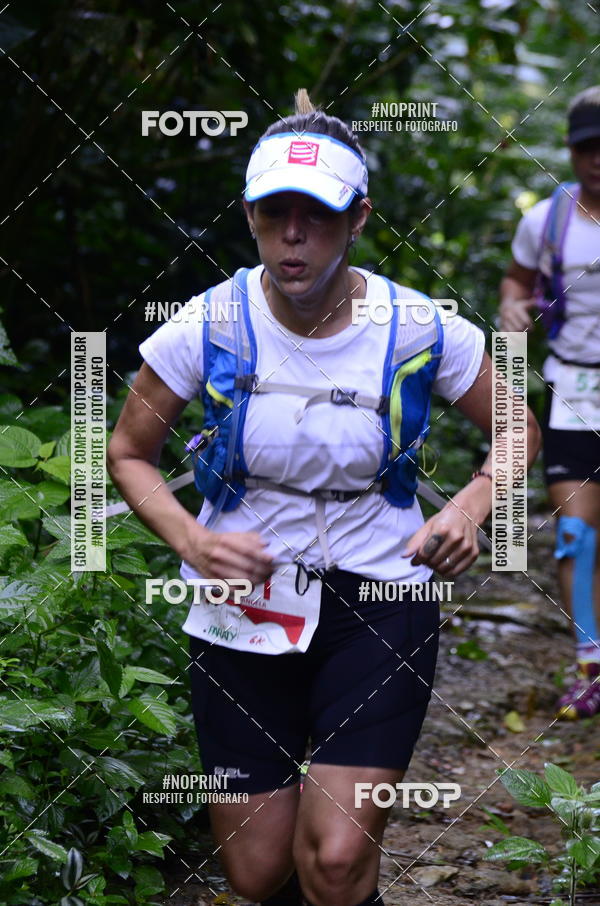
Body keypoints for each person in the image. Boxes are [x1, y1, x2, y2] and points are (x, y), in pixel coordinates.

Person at [108, 90, 540, 906]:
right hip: (243, 605)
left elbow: (519, 428)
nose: (293, 237)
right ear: (249, 215)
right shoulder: (207, 325)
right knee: (258, 871)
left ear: (360, 219)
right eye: (275, 215)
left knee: (337, 861)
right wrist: (191, 544)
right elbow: (129, 454)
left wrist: (467, 507)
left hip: (382, 597)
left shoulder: (419, 328)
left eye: (316, 215)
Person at [499, 85, 600, 720]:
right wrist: (513, 308)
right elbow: (516, 281)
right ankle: (592, 666)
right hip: (574, 389)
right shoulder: (547, 220)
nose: (599, 161)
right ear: (570, 150)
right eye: (589, 148)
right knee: (576, 536)